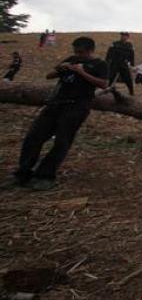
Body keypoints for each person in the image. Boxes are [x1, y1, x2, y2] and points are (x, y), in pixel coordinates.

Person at [3, 36, 108, 190]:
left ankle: (45, 175)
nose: (78, 55)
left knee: (61, 141)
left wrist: (81, 72)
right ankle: (22, 173)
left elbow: (103, 84)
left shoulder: (99, 64)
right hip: (55, 104)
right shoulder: (71, 59)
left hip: (77, 106)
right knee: (33, 137)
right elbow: (49, 75)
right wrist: (61, 68)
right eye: (76, 51)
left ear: (90, 50)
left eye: (81, 52)